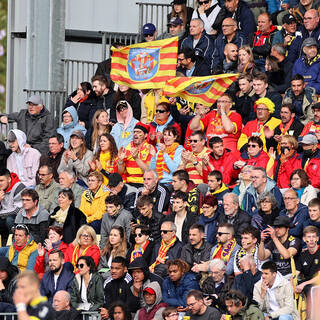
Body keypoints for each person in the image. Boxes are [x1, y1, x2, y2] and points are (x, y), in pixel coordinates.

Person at [117, 122, 156, 187]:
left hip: (143, 183)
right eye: (134, 132)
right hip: (128, 183)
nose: (135, 134)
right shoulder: (128, 147)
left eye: (139, 132)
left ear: (146, 135)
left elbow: (149, 171)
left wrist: (136, 158)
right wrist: (120, 161)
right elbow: (121, 171)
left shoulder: (149, 148)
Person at [0, 168, 25, 244]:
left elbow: (16, 210)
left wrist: (0, 214)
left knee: (9, 219)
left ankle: (14, 243)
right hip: (4, 216)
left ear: (9, 179)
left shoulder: (19, 187)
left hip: (19, 217)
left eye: (1, 181)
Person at [294, 226, 320, 295]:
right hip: (307, 283)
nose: (311, 239)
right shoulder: (302, 254)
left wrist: (304, 284)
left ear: (317, 239)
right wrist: (291, 283)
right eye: (308, 237)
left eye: (313, 237)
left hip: (317, 283)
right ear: (304, 239)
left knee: (309, 288)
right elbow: (295, 273)